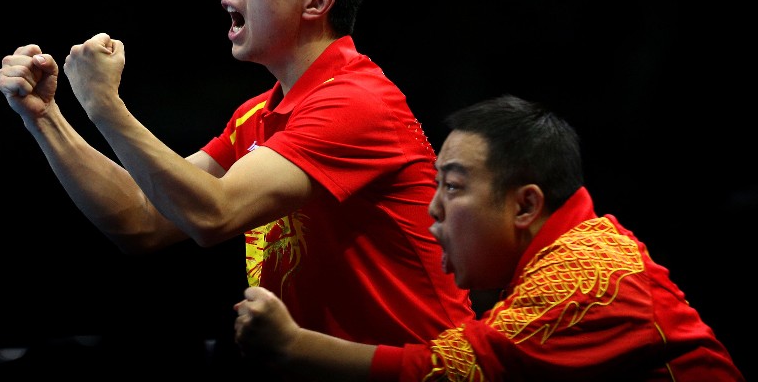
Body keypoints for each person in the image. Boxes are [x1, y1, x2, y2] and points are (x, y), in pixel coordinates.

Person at [0, 0, 474, 371]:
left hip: (425, 368)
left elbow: (213, 214)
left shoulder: (356, 101)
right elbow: (143, 220)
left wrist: (104, 104)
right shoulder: (257, 114)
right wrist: (45, 118)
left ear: (316, 2)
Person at [233, 94, 745, 381]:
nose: (433, 208)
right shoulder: (562, 257)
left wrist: (293, 345)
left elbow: (453, 371)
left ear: (525, 205)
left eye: (454, 187)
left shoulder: (587, 274)